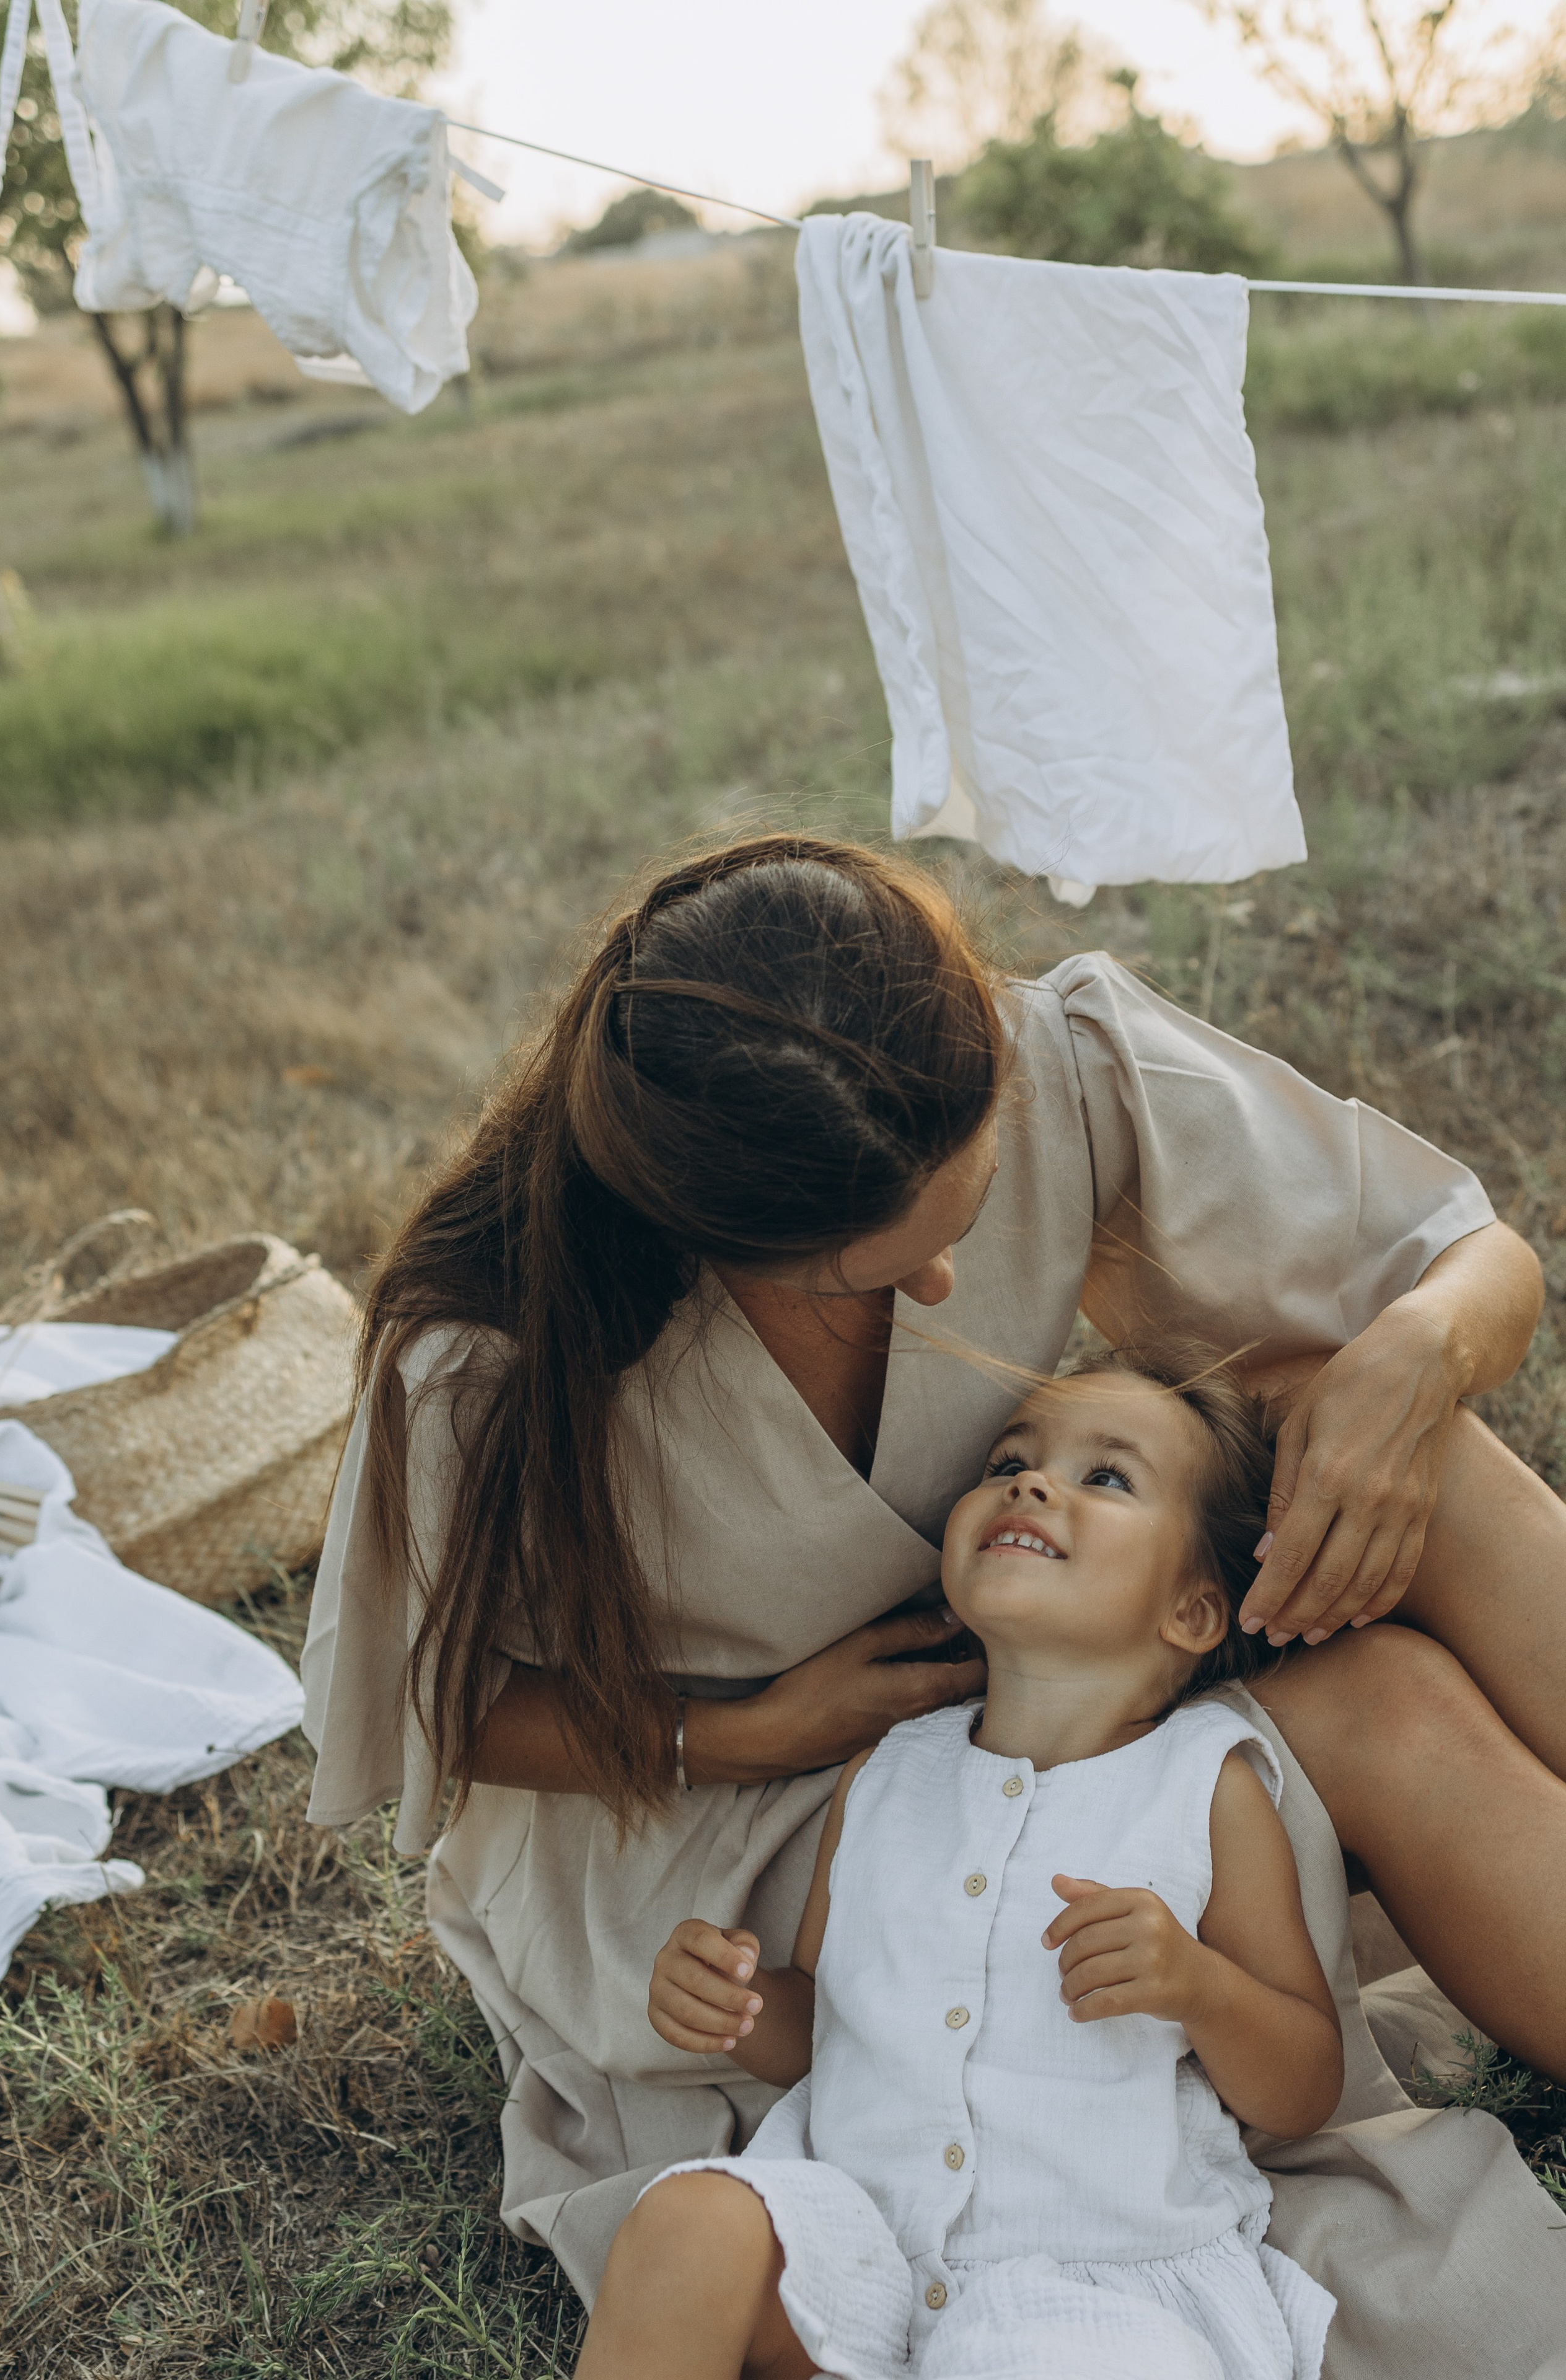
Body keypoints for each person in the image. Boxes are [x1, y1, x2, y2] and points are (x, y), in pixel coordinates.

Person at [300, 833, 1566, 2372]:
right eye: (866, 1274)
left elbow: (1464, 1254)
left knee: (1362, 1441)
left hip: (1058, 1680)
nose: (946, 1293)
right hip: (736, 1818)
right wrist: (744, 1733)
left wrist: (1415, 1356)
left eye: (965, 1218)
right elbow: (425, 1719)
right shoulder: (487, 1354)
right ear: (707, 1239)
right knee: (1372, 1710)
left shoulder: (1048, 1057)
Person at [582, 1347, 1344, 2380]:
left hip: (1088, 2288)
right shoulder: (888, 1776)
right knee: (689, 2222)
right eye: (1009, 1463)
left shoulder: (1203, 1787)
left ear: (1193, 1613)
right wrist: (742, 2005)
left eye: (1105, 1476)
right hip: (857, 2251)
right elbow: (829, 2030)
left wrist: (1198, 1985)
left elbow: (1304, 2084)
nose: (1031, 1485)